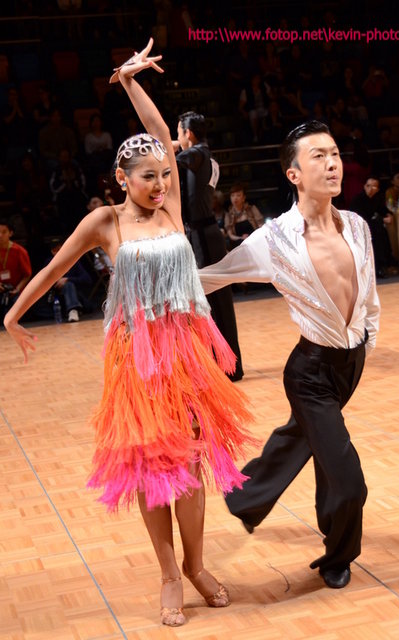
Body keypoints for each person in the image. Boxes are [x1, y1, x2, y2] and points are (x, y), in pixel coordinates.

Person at [4, 39, 255, 628]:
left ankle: (196, 565)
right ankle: (169, 575)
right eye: (148, 177)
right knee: (154, 468)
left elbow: (160, 132)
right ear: (121, 178)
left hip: (186, 354)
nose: (160, 183)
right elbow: (53, 269)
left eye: (164, 174)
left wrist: (127, 79)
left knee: (190, 464)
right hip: (137, 358)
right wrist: (12, 315)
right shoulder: (106, 221)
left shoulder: (171, 210)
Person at [199, 120, 380, 590]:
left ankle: (245, 495)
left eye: (335, 153)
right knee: (348, 478)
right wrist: (147, 284)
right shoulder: (274, 240)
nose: (332, 163)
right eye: (318, 156)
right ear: (293, 173)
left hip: (351, 363)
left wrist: (367, 341)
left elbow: (368, 295)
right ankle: (339, 556)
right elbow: (214, 276)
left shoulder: (357, 226)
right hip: (310, 372)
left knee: (310, 438)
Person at [175, 110, 244, 381]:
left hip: (203, 235)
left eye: (179, 133)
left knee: (210, 299)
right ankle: (227, 364)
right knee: (216, 300)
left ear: (188, 134)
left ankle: (226, 366)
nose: (177, 139)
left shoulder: (197, 154)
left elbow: (173, 159)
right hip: (206, 233)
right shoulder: (208, 157)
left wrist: (166, 146)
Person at [350, 177, 394, 278]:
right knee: (377, 232)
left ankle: (383, 265)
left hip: (372, 226)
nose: (370, 189)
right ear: (364, 186)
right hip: (359, 228)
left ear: (377, 189)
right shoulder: (358, 199)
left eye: (373, 186)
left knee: (381, 232)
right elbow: (360, 218)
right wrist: (382, 220)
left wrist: (389, 215)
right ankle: (376, 268)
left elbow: (383, 209)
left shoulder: (376, 198)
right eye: (368, 186)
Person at [0, 219, 32, 323]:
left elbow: (27, 275)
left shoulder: (19, 251)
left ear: (10, 233)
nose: (0, 235)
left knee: (17, 308)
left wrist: (17, 289)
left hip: (15, 290)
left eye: (4, 232)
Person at [225, 182, 264, 248]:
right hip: (239, 245)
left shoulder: (252, 209)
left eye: (238, 195)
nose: (235, 198)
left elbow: (261, 227)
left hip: (255, 241)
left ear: (243, 198)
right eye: (232, 195)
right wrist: (241, 238)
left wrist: (252, 237)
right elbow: (230, 235)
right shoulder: (228, 215)